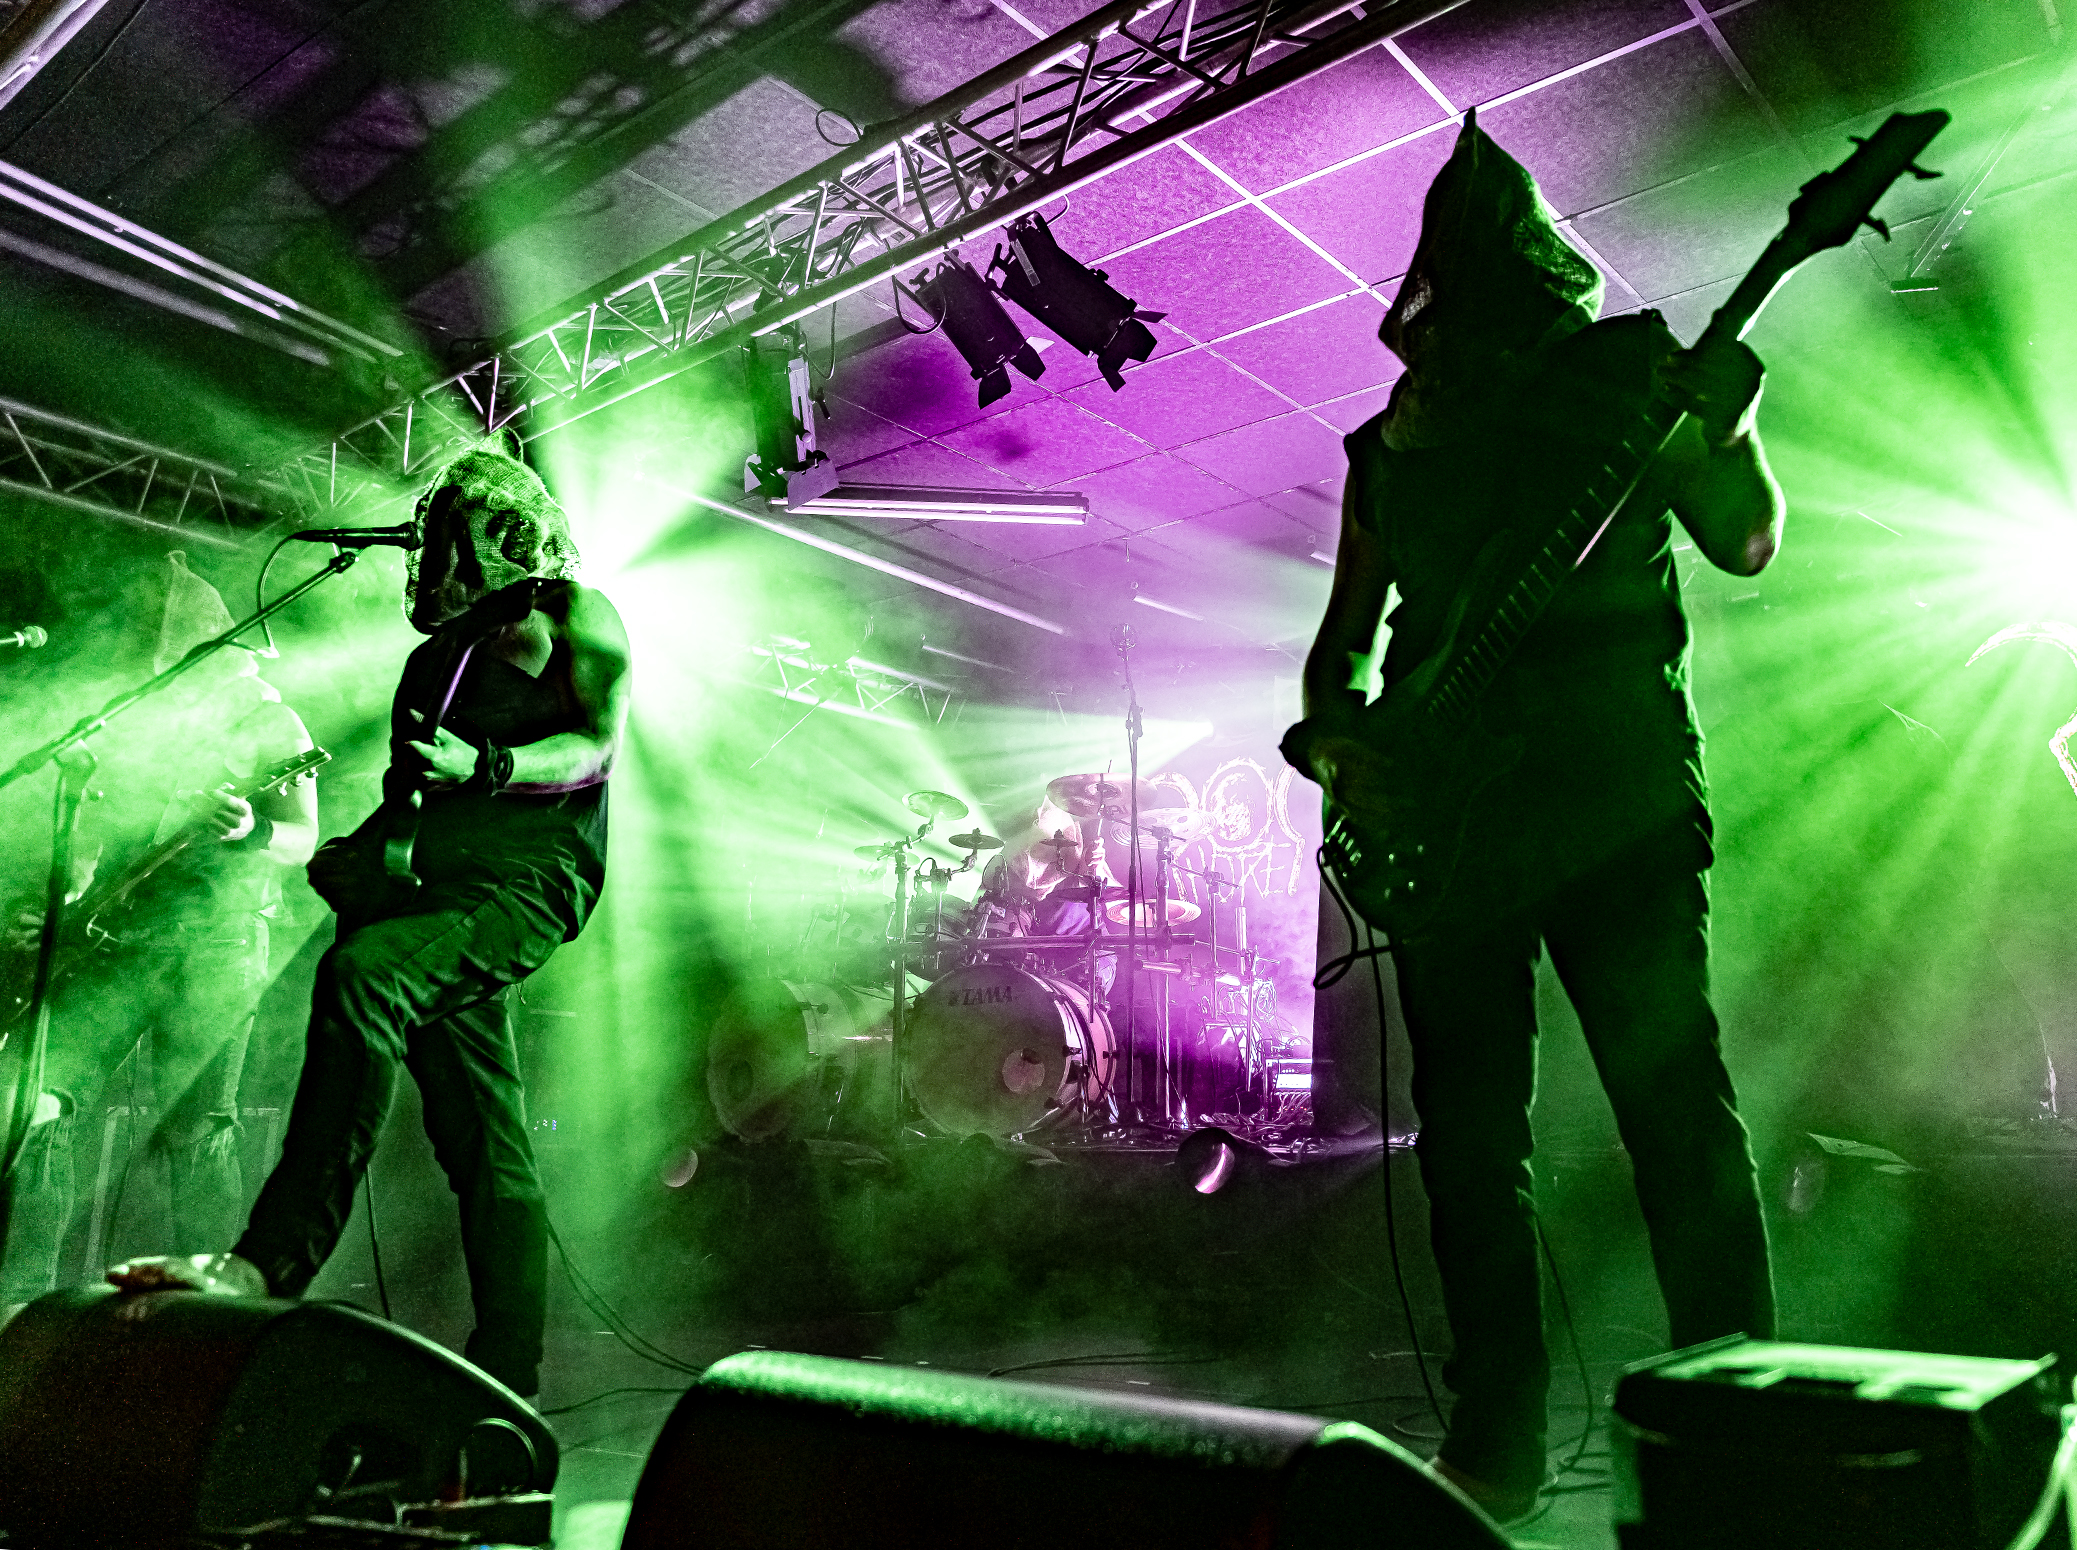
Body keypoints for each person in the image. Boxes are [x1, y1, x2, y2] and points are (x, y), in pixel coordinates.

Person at [1281, 113, 1782, 1522]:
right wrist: (1341, 745)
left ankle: (1744, 1432)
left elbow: (1743, 539)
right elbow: (1342, 650)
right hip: (1452, 822)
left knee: (1674, 1119)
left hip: (1614, 797)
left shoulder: (1625, 374)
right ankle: (1491, 1439)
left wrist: (1735, 428)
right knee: (1466, 1141)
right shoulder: (1387, 446)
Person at [110, 446, 630, 1401]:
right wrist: (354, 852)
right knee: (485, 1141)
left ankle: (268, 1264)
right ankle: (510, 1380)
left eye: (449, 534)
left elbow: (593, 748)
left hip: (530, 881)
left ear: (500, 534)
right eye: (430, 538)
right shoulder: (431, 662)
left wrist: (488, 767)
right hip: (438, 893)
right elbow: (410, 801)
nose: (428, 555)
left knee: (366, 976)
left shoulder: (572, 613)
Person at [0, 553, 319, 1306]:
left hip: (219, 946)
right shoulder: (139, 718)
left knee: (196, 1133)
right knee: (32, 1099)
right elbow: (100, 835)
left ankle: (217, 1317)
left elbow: (304, 840)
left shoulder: (271, 721)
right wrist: (60, 906)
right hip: (117, 942)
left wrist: (248, 830)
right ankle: (19, 1303)